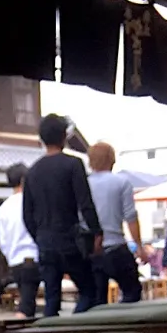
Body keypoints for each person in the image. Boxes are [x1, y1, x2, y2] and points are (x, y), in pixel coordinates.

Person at [22, 114, 103, 316]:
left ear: (42, 138)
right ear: (63, 137)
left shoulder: (32, 172)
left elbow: (27, 215)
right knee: (89, 292)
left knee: (51, 300)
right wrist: (96, 233)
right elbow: (85, 204)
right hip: (69, 240)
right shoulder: (73, 164)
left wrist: (39, 237)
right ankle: (75, 325)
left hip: (45, 243)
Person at [85, 141, 146, 306]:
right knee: (132, 292)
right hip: (117, 246)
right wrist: (139, 246)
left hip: (92, 249)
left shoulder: (83, 184)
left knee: (97, 300)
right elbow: (130, 217)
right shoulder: (121, 182)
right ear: (112, 160)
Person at [0, 163, 40, 319]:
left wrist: (10, 257)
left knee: (27, 299)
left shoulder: (3, 208)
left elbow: (3, 242)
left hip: (15, 261)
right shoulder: (33, 202)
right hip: (33, 256)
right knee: (27, 304)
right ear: (24, 180)